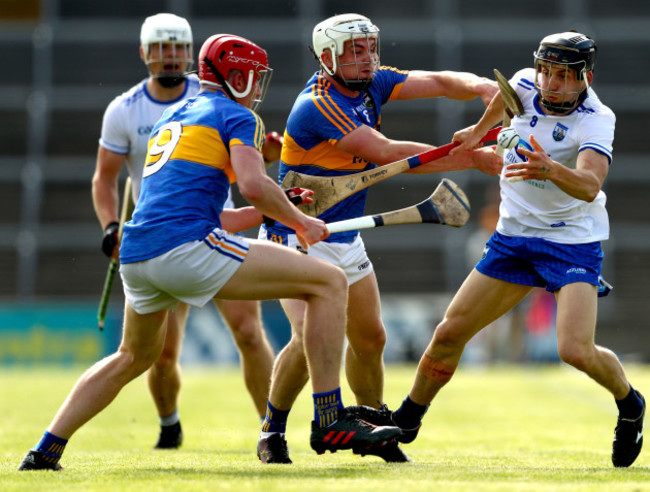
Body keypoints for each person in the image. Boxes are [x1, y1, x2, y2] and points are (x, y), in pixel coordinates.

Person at [19, 33, 401, 471]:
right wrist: (300, 223)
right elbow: (254, 187)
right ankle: (330, 419)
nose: (258, 88)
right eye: (255, 78)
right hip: (186, 248)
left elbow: (218, 217)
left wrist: (284, 206)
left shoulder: (175, 116)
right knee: (329, 281)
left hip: (139, 254)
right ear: (235, 76)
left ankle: (45, 449)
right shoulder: (238, 116)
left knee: (132, 357)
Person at [387, 31, 645, 468]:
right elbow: (506, 103)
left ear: (586, 77)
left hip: (571, 241)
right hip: (513, 237)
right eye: (547, 71)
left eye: (565, 75)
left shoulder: (597, 118)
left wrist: (548, 166)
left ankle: (631, 404)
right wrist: (480, 130)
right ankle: (406, 419)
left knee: (574, 350)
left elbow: (589, 185)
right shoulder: (525, 82)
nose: (552, 82)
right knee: (449, 334)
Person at [255, 13, 502, 464]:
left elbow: (442, 80)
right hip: (298, 233)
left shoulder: (373, 83)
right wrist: (473, 157)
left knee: (371, 339)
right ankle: (272, 430)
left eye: (369, 47)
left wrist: (483, 88)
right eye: (354, 50)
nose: (366, 58)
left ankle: (374, 428)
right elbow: (388, 156)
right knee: (308, 340)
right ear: (328, 57)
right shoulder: (318, 104)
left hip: (344, 234)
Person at [91, 13, 278, 449]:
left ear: (191, 54)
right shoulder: (124, 110)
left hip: (218, 225)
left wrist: (264, 159)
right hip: (161, 233)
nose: (170, 57)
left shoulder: (214, 95)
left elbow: (243, 169)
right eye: (160, 48)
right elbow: (105, 179)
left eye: (178, 48)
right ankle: (169, 423)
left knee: (250, 334)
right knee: (160, 354)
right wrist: (110, 228)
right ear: (145, 54)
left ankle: (271, 431)